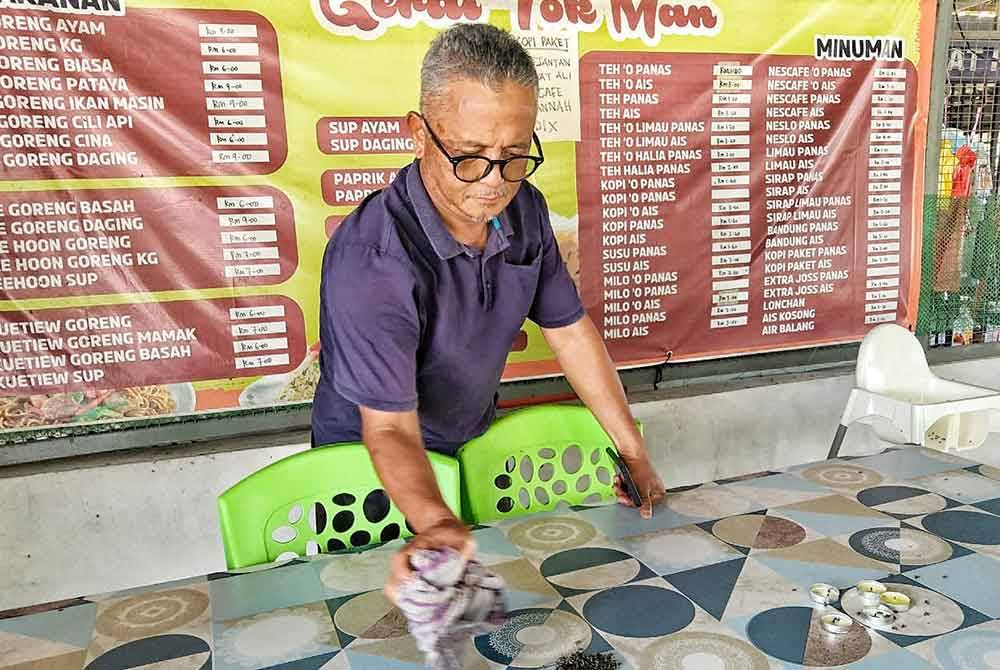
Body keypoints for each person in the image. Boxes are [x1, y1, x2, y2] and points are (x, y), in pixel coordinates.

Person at [312, 23, 665, 587]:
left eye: (515, 155)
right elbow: (389, 429)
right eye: (470, 156)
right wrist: (434, 522)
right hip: (369, 474)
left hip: (471, 448)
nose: (494, 182)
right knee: (375, 613)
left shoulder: (525, 212)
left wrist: (633, 450)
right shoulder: (373, 258)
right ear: (419, 134)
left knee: (483, 610)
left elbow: (570, 331)